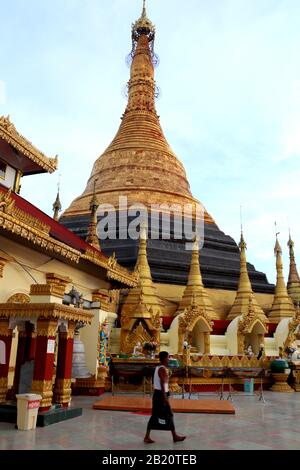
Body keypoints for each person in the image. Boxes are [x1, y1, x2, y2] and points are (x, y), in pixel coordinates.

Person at [144, 351, 186, 444]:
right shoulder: (162, 369)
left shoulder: (157, 367)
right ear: (163, 359)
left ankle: (147, 436)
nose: (169, 359)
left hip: (158, 394)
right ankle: (174, 436)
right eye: (167, 357)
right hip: (161, 395)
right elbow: (163, 383)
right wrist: (165, 398)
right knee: (169, 414)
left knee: (156, 415)